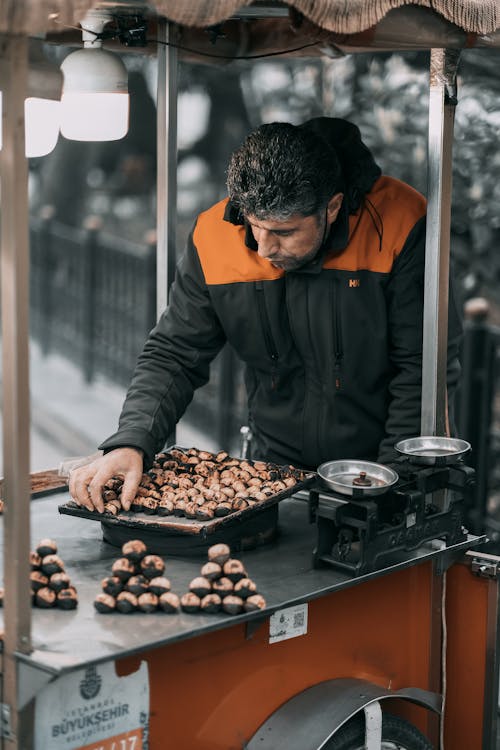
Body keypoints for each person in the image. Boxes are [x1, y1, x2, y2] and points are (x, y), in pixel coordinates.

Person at [69, 117, 462, 512]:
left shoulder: (402, 222)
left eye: (285, 232)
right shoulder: (213, 233)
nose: (264, 248)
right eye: (255, 226)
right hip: (272, 471)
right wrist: (132, 440)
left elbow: (423, 370)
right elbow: (174, 351)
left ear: (332, 207)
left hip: (378, 472)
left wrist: (391, 487)